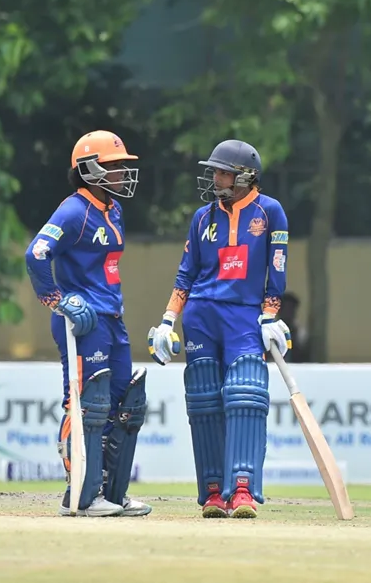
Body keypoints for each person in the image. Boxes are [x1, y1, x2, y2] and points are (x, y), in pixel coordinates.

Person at [147, 139, 291, 519]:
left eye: (222, 171)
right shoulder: (202, 217)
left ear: (245, 175)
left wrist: (271, 313)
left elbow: (277, 268)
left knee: (245, 396)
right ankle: (213, 491)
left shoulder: (270, 212)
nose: (215, 178)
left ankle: (241, 489)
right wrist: (167, 320)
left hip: (244, 315)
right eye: (214, 171)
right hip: (201, 316)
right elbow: (186, 273)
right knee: (205, 400)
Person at [24, 130, 151, 518]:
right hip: (82, 322)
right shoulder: (73, 210)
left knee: (121, 405)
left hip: (112, 317)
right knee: (87, 405)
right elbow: (37, 253)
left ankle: (112, 492)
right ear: (88, 169)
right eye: (113, 167)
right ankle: (79, 492)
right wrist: (57, 301)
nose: (121, 174)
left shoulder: (113, 209)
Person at [278, 292, 309, 362]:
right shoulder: (269, 329)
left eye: (291, 309)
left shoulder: (301, 331)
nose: (288, 313)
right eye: (285, 309)